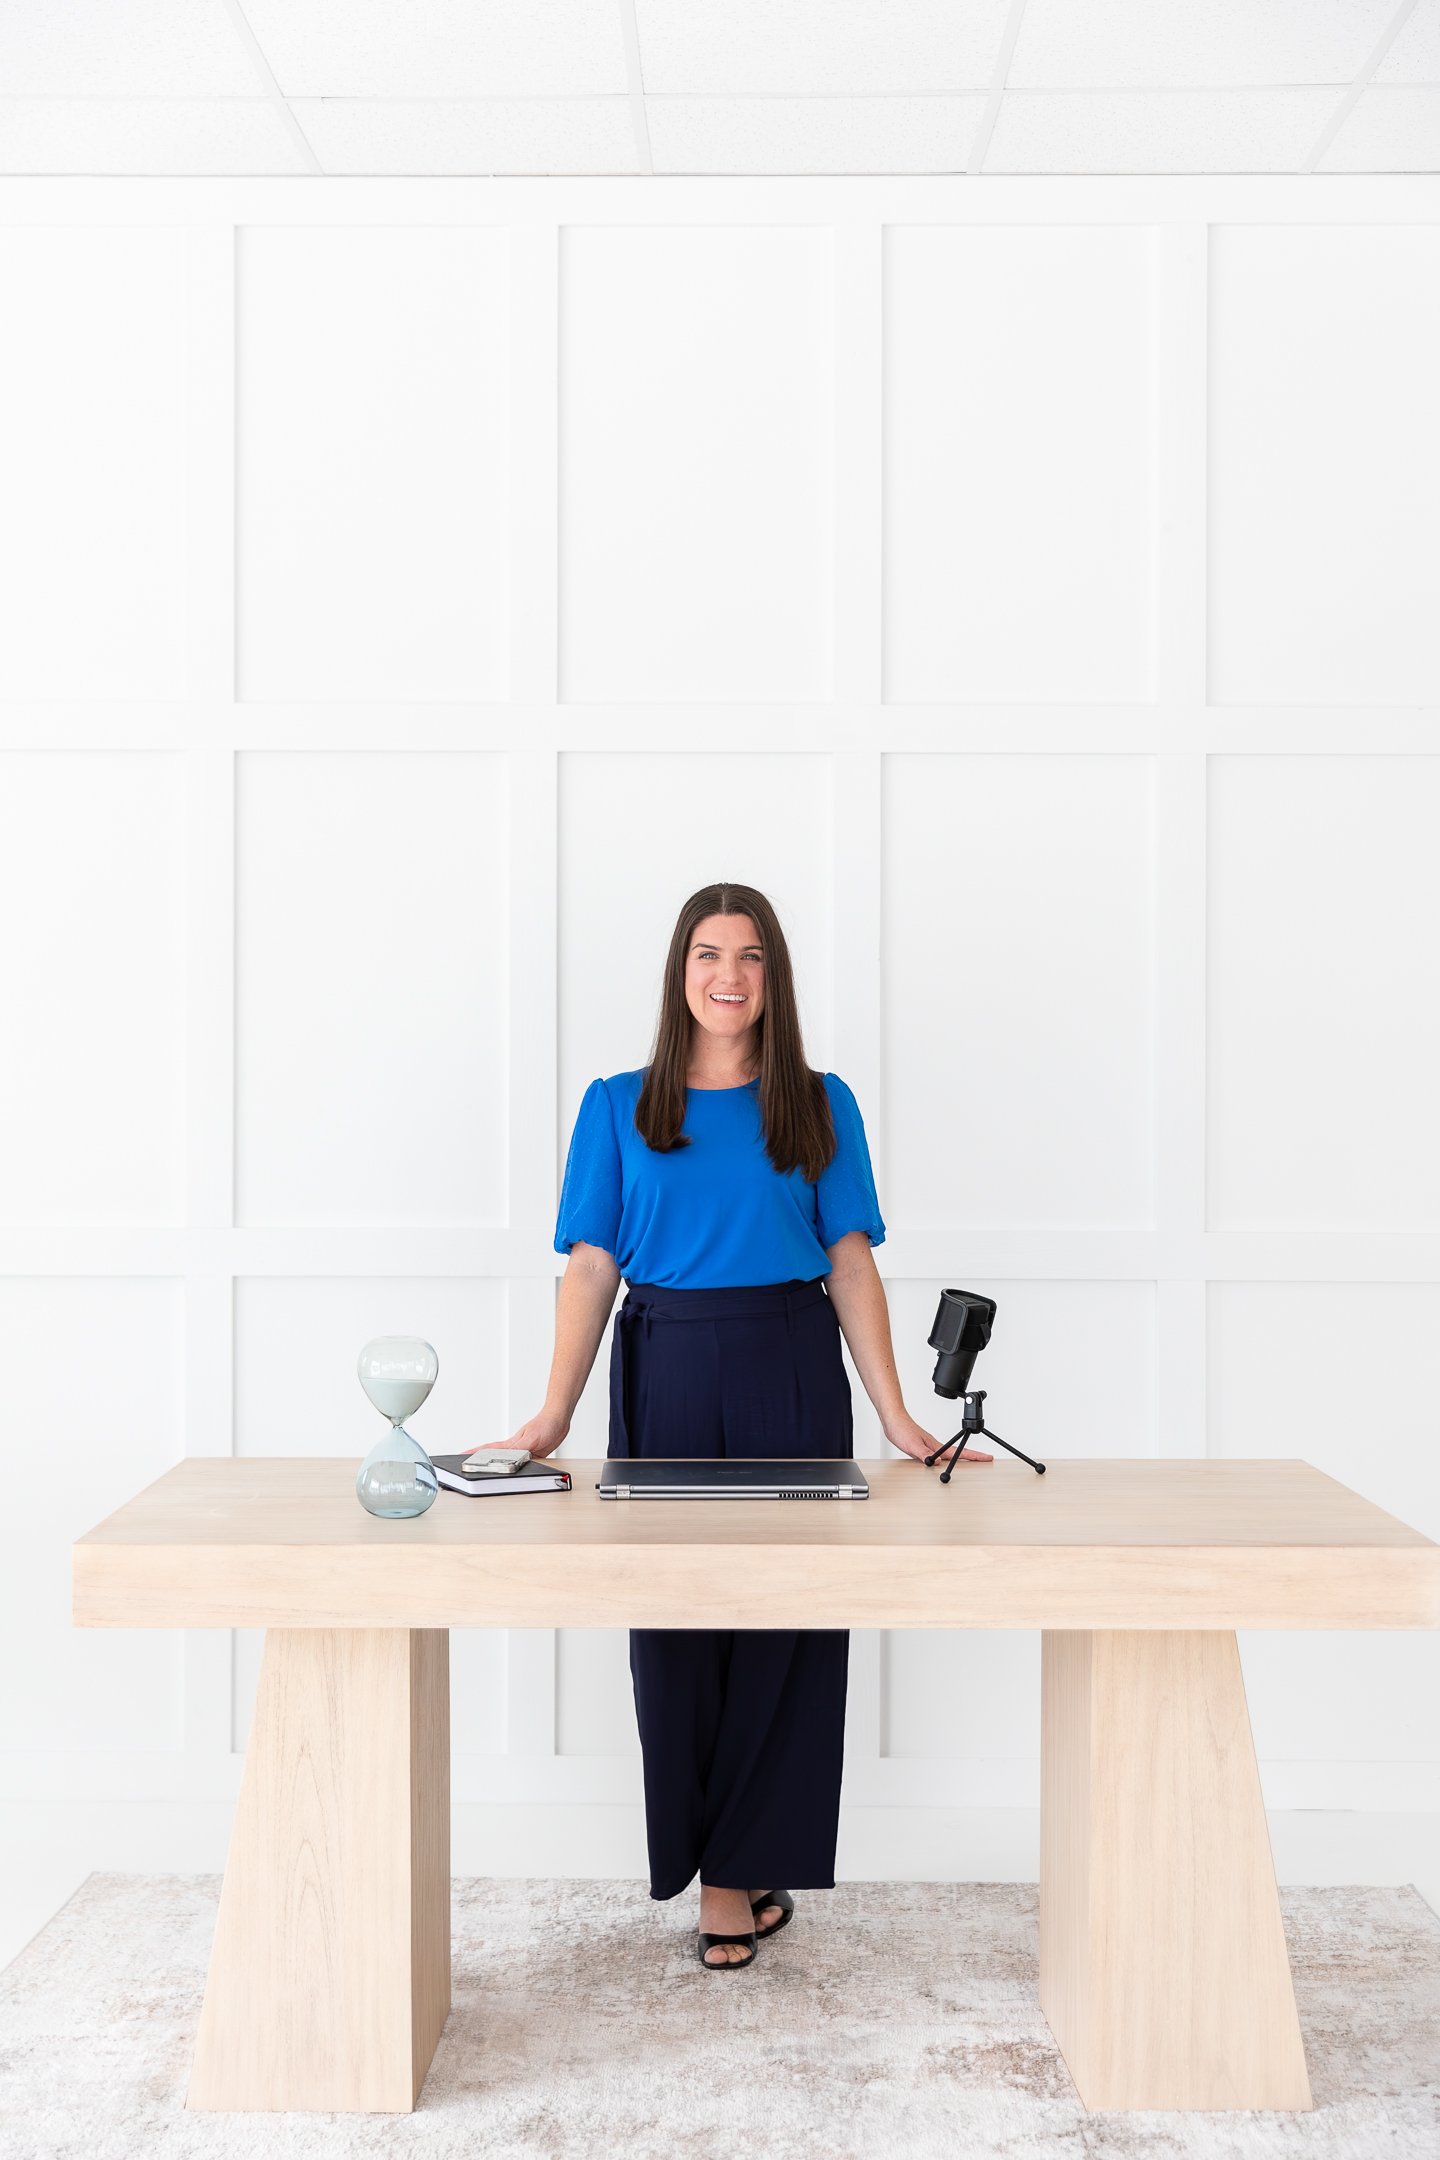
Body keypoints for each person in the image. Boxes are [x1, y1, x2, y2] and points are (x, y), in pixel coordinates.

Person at [480, 880, 992, 1970]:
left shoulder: (819, 1100)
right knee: (675, 1623)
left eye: (751, 957)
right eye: (709, 954)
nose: (728, 976)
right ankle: (716, 1862)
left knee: (790, 1623)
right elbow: (591, 1265)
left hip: (792, 1366)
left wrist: (898, 1413)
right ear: (681, 972)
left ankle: (735, 1875)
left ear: (774, 977)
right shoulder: (620, 1103)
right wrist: (552, 1413)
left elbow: (851, 1261)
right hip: (664, 1366)